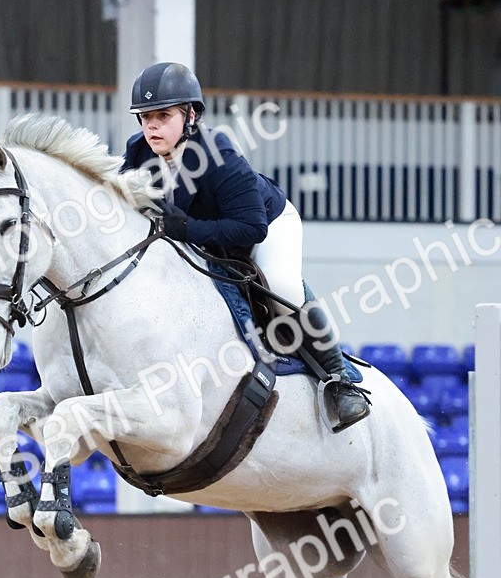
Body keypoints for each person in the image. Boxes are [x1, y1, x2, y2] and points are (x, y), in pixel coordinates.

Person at [121, 61, 370, 432]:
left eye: (163, 115)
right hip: (208, 234)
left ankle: (340, 381)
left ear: (190, 116)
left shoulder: (219, 155)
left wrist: (187, 228)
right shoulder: (139, 151)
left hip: (268, 224)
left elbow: (251, 228)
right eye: (145, 117)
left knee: (283, 287)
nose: (151, 126)